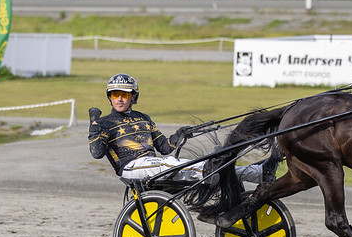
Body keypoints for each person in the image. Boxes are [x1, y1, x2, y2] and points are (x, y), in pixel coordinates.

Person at [88, 73, 272, 183]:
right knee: (173, 164)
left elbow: (165, 147)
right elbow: (96, 153)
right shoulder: (104, 123)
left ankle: (257, 173)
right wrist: (94, 127)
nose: (119, 99)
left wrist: (179, 134)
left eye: (124, 94)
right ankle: (207, 170)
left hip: (155, 167)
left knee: (193, 165)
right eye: (115, 94)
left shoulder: (144, 118)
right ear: (110, 97)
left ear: (133, 97)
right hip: (131, 167)